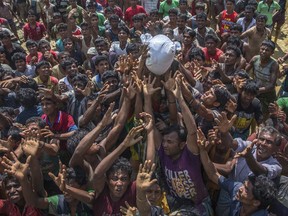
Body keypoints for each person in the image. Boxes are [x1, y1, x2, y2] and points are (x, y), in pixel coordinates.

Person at [246, 40, 279, 118]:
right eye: (262, 49)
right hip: (256, 89)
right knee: (252, 111)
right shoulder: (255, 59)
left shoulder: (274, 65)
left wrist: (257, 90)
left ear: (272, 53)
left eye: (267, 50)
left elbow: (271, 86)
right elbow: (245, 71)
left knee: (265, 114)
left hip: (268, 94)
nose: (263, 51)